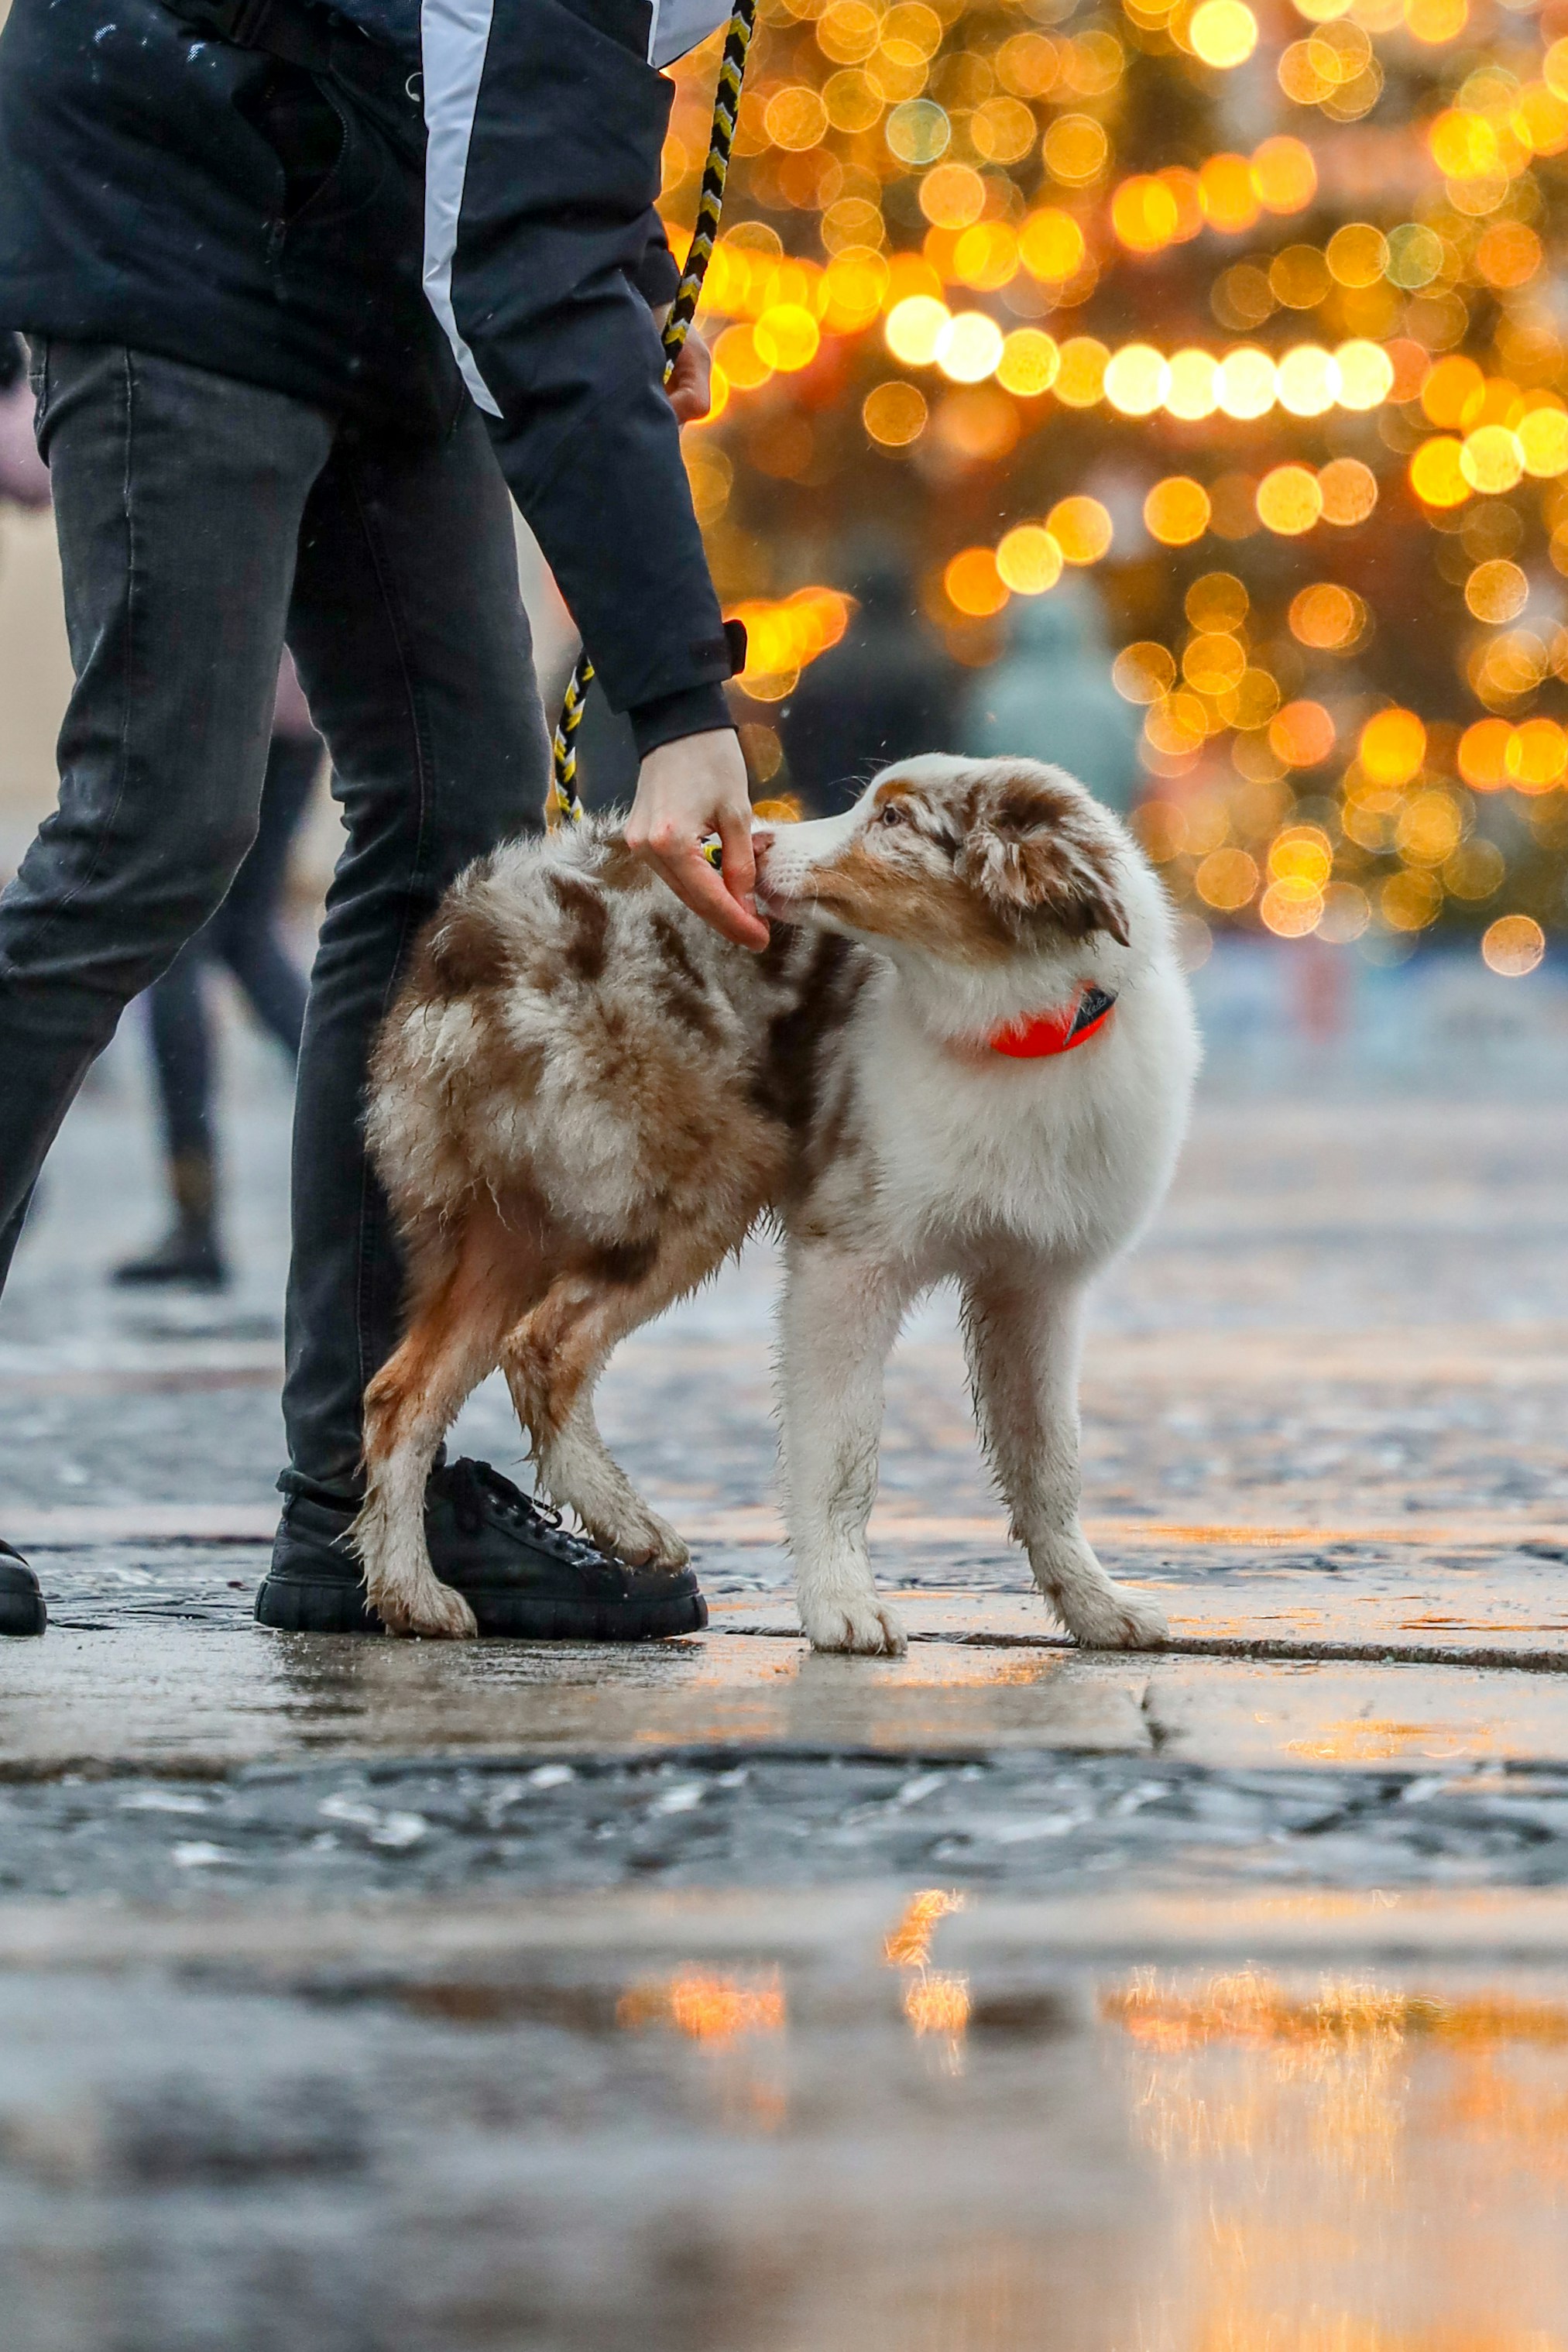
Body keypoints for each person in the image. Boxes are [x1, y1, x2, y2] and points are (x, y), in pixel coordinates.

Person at [0, 0, 767, 1641]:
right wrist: (685, 708)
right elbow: (527, 233)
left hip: (372, 240)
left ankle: (365, 1495)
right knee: (157, 829)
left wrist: (621, 293)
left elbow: (535, 147)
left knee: (454, 841)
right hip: (174, 193)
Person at [115, 658, 321, 1289]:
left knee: (178, 937)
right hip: (299, 701)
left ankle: (195, 1217)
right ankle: (378, 1142)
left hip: (218, 692)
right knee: (244, 938)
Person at [779, 549, 958, 815]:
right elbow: (943, 741)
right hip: (901, 812)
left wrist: (813, 789)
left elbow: (796, 733)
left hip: (833, 804)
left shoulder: (829, 664)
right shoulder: (924, 663)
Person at [959, 576, 1142, 815]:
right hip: (1101, 832)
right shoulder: (1108, 696)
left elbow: (976, 769)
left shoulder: (999, 696)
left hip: (1020, 839)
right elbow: (1130, 773)